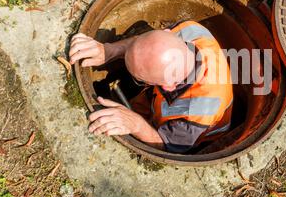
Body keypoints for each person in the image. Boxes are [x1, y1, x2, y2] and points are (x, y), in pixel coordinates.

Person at [69, 21, 233, 153]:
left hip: (189, 138)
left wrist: (136, 124)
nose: (136, 81)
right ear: (168, 34)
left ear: (168, 86)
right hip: (157, 103)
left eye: (139, 80)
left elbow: (165, 146)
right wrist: (110, 50)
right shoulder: (190, 29)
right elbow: (147, 43)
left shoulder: (198, 114)